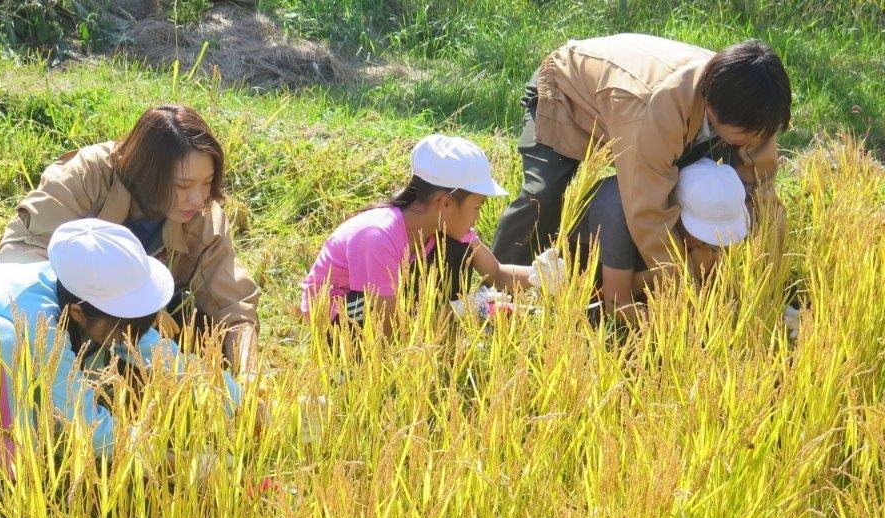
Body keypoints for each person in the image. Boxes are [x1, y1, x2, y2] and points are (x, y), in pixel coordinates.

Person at [0, 219, 242, 518]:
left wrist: (240, 405)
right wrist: (182, 461)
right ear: (79, 312)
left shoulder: (83, 295)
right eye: (127, 327)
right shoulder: (37, 318)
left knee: (29, 363)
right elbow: (86, 427)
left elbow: (162, 353)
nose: (132, 338)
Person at [491, 34, 791, 283]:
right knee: (543, 195)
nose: (756, 142)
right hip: (566, 91)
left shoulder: (751, 103)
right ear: (712, 110)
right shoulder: (653, 108)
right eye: (747, 135)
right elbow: (646, 209)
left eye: (761, 134)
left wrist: (769, 277)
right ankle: (494, 284)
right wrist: (683, 286)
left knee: (694, 194)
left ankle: (590, 270)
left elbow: (762, 194)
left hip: (633, 107)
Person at [0, 105, 259, 373]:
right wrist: (125, 303)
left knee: (202, 331)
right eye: (182, 185)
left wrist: (249, 378)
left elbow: (235, 306)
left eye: (207, 182)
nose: (198, 198)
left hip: (136, 328)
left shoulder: (201, 214)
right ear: (148, 173)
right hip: (69, 310)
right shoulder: (88, 176)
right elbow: (23, 256)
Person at [300, 134, 565, 334]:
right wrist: (460, 312)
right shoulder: (376, 236)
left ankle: (435, 344)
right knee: (382, 316)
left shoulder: (448, 228)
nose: (477, 216)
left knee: (454, 251)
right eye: (477, 206)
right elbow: (385, 327)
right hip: (339, 317)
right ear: (446, 203)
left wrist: (537, 275)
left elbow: (496, 274)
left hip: (391, 306)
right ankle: (350, 372)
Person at [572, 158, 750, 324]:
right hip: (595, 282)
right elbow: (616, 306)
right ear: (677, 211)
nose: (710, 246)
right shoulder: (619, 210)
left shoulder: (683, 217)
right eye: (705, 240)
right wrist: (692, 321)